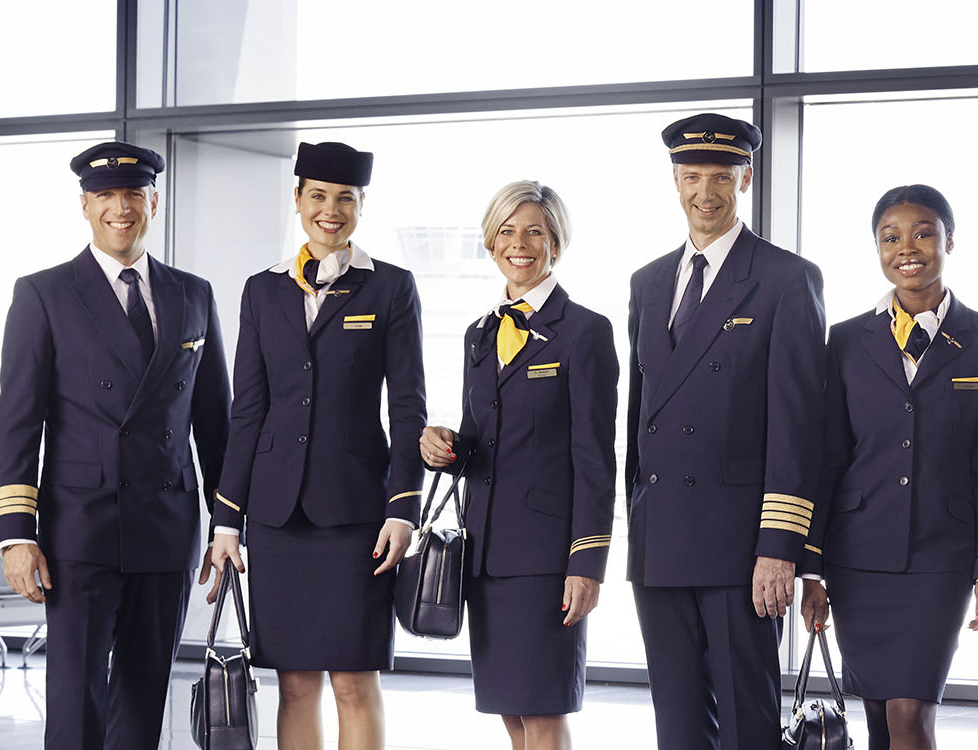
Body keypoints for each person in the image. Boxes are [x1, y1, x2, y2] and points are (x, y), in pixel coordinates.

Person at [0, 141, 231, 749]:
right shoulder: (43, 293)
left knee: (144, 695)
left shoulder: (193, 294)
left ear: (155, 201)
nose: (120, 208)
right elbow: (18, 421)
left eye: (133, 195)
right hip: (79, 529)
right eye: (105, 196)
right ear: (84, 206)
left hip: (166, 525)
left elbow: (215, 423)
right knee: (74, 700)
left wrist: (226, 527)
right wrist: (18, 535)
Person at [202, 142, 425, 750]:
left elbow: (408, 408)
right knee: (295, 683)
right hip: (276, 518)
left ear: (360, 206)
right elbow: (246, 411)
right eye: (319, 196)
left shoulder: (390, 289)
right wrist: (227, 521)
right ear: (298, 199)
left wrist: (403, 508)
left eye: (345, 199)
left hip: (356, 514)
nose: (331, 210)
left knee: (354, 680)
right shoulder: (261, 290)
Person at [624, 112, 826, 750]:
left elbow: (798, 426)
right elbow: (641, 414)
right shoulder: (648, 283)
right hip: (661, 537)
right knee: (677, 725)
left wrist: (780, 547)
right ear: (674, 181)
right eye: (691, 177)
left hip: (742, 544)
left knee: (747, 724)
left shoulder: (786, 279)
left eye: (721, 176)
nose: (704, 193)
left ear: (747, 179)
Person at [800, 185, 978, 750]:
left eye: (923, 232)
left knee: (910, 716)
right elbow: (829, 457)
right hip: (858, 559)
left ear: (949, 240)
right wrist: (813, 568)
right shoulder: (846, 341)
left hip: (940, 560)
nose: (907, 248)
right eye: (890, 237)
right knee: (877, 717)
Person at [416, 180, 619, 750]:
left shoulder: (585, 332)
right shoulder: (478, 334)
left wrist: (588, 564)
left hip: (547, 557)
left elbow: (595, 460)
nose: (519, 243)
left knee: (544, 709)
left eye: (534, 230)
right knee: (509, 709)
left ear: (555, 241)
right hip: (486, 554)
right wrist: (443, 446)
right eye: (507, 231)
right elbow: (482, 441)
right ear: (490, 241)